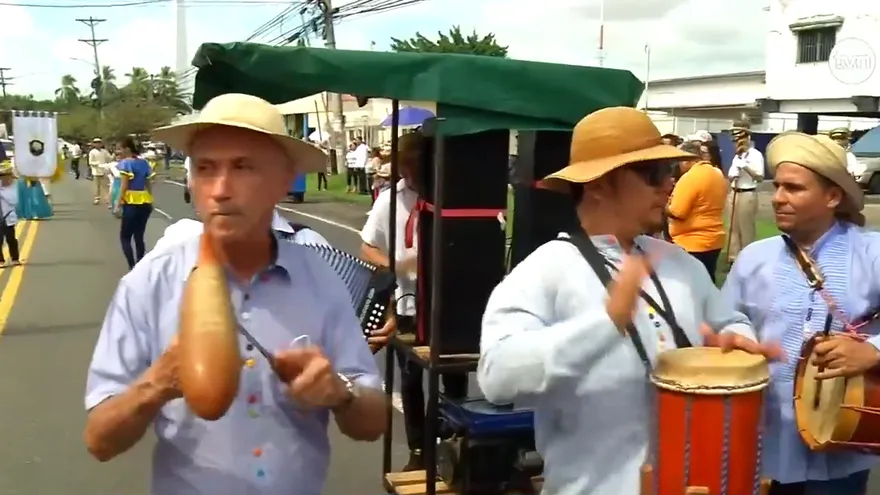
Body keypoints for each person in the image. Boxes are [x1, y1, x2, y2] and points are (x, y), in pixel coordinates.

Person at [83, 93, 388, 495]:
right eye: (206, 169)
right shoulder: (147, 285)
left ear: (284, 180)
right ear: (191, 181)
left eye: (243, 167)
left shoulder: (324, 279)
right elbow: (99, 441)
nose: (221, 190)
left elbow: (372, 423)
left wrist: (340, 394)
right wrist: (155, 384)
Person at [476, 107, 780, 495]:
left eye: (670, 171)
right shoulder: (544, 271)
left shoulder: (679, 263)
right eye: (653, 175)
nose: (669, 184)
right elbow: (497, 377)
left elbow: (726, 321)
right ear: (600, 184)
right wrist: (605, 323)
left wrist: (735, 341)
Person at [722, 132, 880, 495]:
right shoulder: (753, 258)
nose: (777, 198)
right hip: (765, 437)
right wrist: (742, 341)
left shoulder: (872, 253)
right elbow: (729, 318)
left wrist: (873, 349)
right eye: (777, 187)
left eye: (793, 189)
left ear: (832, 197)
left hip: (844, 442)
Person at [360, 131, 468, 471]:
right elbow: (367, 246)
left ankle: (453, 446)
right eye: (404, 166)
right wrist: (394, 266)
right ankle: (418, 451)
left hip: (448, 302)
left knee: (453, 376)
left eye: (414, 166)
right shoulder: (389, 201)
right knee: (410, 378)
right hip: (406, 304)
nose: (408, 173)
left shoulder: (453, 198)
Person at [667, 141, 728, 282]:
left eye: (681, 161)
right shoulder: (717, 173)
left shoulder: (690, 177)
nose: (679, 165)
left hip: (691, 241)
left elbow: (678, 212)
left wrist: (662, 205)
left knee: (689, 286)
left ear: (688, 159)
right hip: (714, 239)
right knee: (708, 282)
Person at [726, 119, 765, 264]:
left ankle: (748, 258)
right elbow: (730, 176)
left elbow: (759, 177)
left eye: (740, 140)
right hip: (734, 192)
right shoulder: (737, 156)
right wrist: (732, 174)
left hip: (747, 192)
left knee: (746, 229)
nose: (737, 143)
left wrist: (745, 167)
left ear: (747, 138)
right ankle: (733, 259)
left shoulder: (755, 155)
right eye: (735, 141)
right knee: (733, 228)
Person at [114, 137, 154, 269]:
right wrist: (150, 198)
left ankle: (132, 267)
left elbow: (124, 186)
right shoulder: (144, 163)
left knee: (125, 237)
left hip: (131, 201)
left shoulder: (126, 163)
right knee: (139, 236)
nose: (117, 151)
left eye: (119, 149)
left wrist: (118, 204)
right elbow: (148, 183)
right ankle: (141, 266)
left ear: (127, 149)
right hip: (145, 201)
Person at [0, 163, 21, 266]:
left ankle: (15, 258)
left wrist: (2, 193)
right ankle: (1, 260)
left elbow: (14, 201)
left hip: (7, 217)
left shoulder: (12, 187)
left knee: (11, 238)